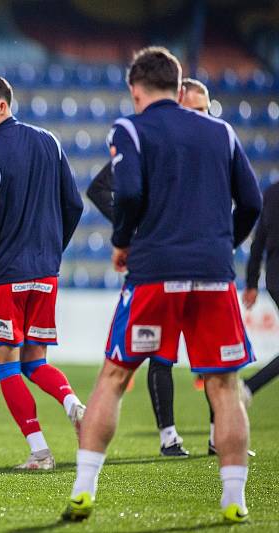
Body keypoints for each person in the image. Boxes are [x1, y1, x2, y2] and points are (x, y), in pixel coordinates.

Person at [62, 47, 262, 524]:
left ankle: (83, 490)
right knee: (224, 386)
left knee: (114, 377)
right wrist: (221, 246)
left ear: (136, 89)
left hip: (154, 274)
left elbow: (125, 191)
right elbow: (251, 202)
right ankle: (234, 498)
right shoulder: (222, 132)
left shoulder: (130, 128)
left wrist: (123, 239)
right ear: (178, 87)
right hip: (213, 278)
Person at [0, 76, 86, 470]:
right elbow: (75, 206)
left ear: (2, 105)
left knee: (9, 365)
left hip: (5, 276)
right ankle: (73, 404)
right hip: (46, 274)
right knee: (36, 362)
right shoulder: (50, 141)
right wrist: (51, 250)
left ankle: (40, 452)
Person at [86, 77, 214, 457]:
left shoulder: (214, 144)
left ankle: (216, 437)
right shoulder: (151, 146)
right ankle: (169, 437)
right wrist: (133, 231)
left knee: (212, 357)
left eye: (205, 110)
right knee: (161, 352)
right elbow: (100, 188)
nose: (199, 117)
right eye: (193, 110)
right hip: (159, 261)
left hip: (203, 263)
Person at [240, 180, 279, 410]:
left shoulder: (271, 193)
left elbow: (258, 242)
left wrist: (252, 282)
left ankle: (248, 387)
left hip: (274, 278)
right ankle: (247, 387)